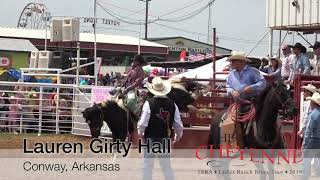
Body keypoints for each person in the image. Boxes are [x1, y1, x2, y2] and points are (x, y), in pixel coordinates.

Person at [137, 76, 183, 180]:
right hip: (165, 138)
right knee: (166, 166)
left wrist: (141, 133)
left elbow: (143, 123)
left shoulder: (148, 104)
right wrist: (178, 136)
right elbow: (178, 124)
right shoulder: (173, 104)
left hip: (150, 138)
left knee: (148, 165)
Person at [300, 92, 320, 179]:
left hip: (312, 141)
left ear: (313, 103)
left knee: (306, 161)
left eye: (311, 102)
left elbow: (309, 131)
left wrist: (304, 144)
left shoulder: (312, 115)